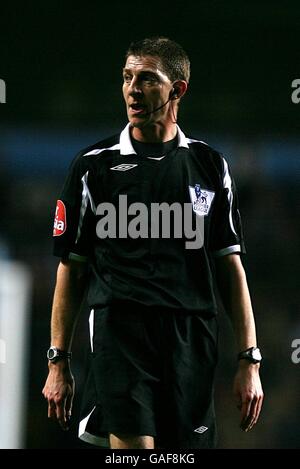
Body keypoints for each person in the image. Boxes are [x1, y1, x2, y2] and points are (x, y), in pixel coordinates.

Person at [42, 36, 264, 449]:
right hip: (120, 334)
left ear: (177, 89)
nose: (132, 89)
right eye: (127, 77)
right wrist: (58, 360)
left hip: (191, 340)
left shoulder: (210, 166)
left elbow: (230, 266)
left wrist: (249, 359)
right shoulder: (94, 167)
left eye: (147, 78)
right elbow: (70, 267)